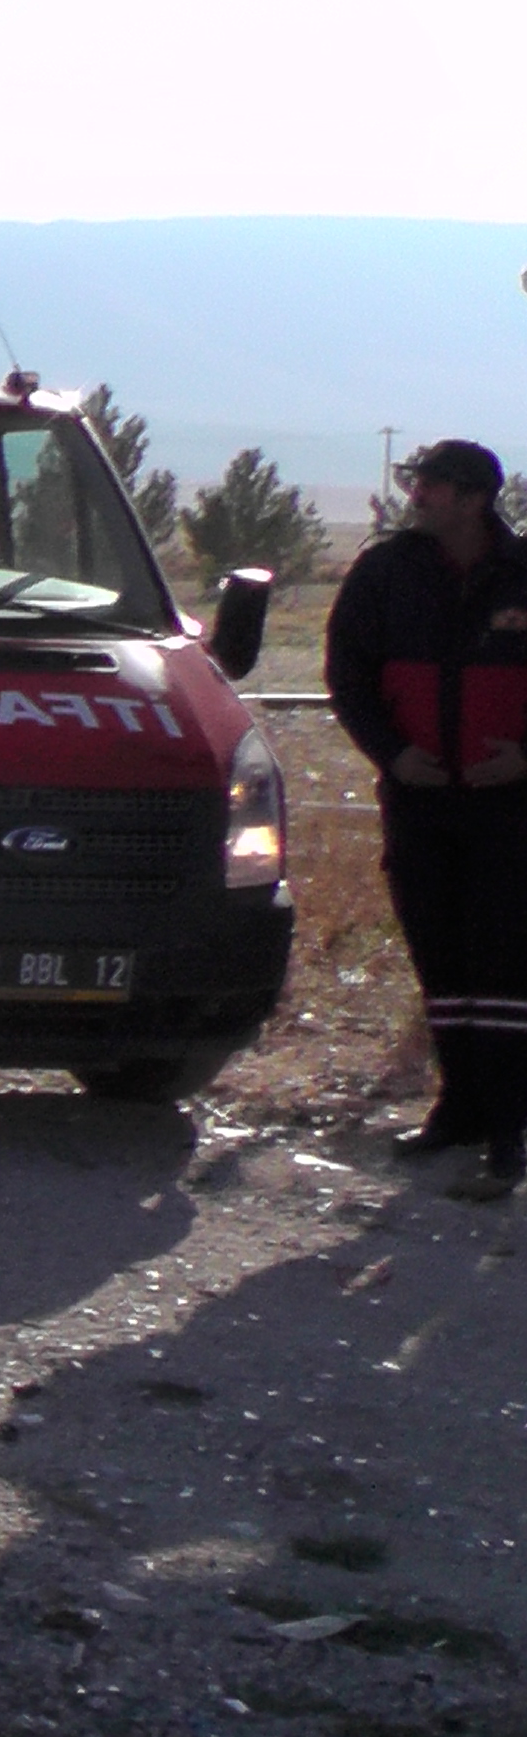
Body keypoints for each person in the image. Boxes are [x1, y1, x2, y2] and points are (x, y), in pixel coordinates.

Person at [327, 437, 527, 1201]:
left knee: (504, 961)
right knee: (440, 957)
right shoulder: (385, 572)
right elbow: (348, 674)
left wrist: (524, 758)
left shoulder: (522, 572)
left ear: (475, 497)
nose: (417, 496)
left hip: (510, 805)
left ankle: (510, 1126)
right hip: (419, 798)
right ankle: (460, 1110)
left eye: (434, 485)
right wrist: (391, 753)